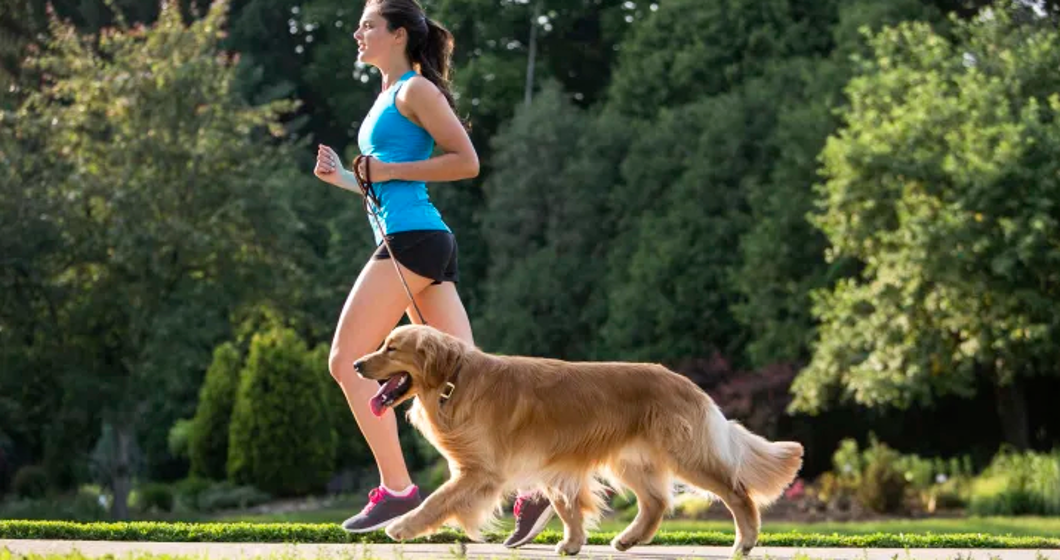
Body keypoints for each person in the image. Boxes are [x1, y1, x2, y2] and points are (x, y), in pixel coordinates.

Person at [312, 0, 553, 548]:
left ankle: (397, 488)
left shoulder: (415, 91)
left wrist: (386, 170)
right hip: (419, 241)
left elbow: (466, 160)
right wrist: (346, 182)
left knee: (347, 362)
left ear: (397, 34)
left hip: (413, 242)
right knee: (470, 382)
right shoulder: (384, 97)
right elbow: (387, 187)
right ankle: (538, 486)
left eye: (369, 24)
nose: (358, 32)